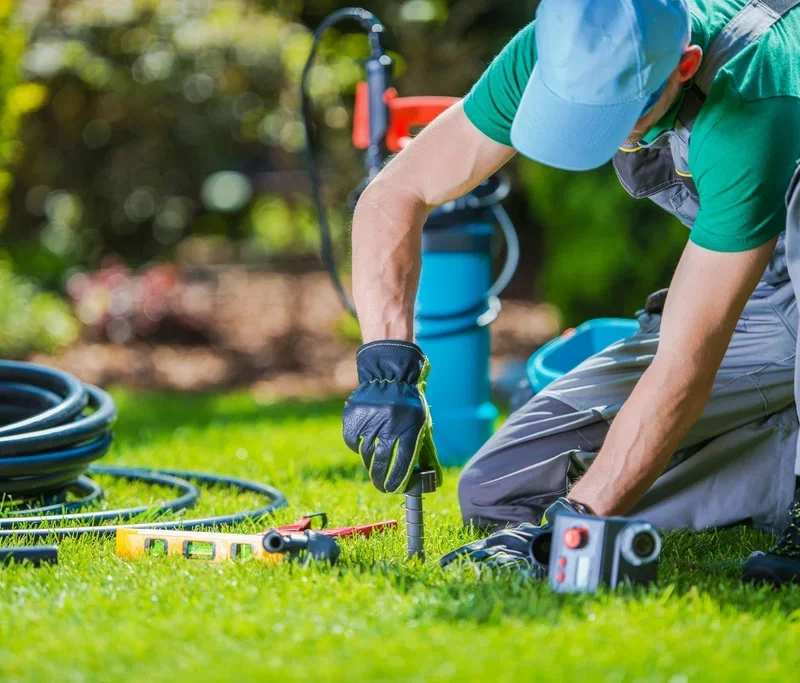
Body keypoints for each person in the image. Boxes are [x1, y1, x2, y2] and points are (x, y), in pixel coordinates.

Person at [341, 0, 800, 584]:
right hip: (759, 290)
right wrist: (387, 367)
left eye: (619, 116)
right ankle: (779, 467)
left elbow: (685, 365)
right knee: (498, 491)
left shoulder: (753, 97)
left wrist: (577, 525)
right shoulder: (564, 40)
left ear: (685, 66)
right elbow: (395, 194)